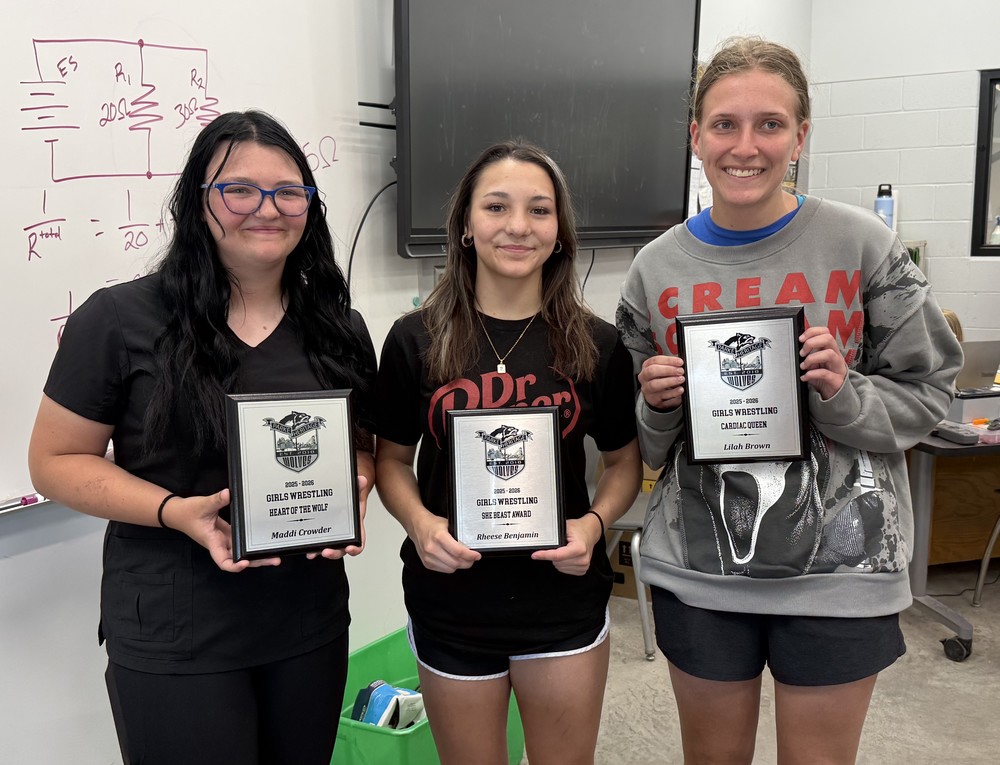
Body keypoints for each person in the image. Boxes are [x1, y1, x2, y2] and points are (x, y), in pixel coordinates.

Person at [616, 37, 963, 765]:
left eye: (770, 124)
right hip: (703, 567)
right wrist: (656, 403)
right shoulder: (654, 269)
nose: (746, 146)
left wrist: (844, 392)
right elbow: (638, 444)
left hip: (842, 567)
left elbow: (930, 390)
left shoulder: (862, 244)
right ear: (696, 136)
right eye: (724, 124)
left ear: (801, 134)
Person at [28, 110, 377, 765]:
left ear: (309, 206)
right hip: (174, 627)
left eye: (288, 191)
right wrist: (176, 512)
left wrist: (354, 490)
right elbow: (54, 460)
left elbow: (360, 446)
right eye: (239, 189)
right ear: (199, 201)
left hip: (308, 624)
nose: (266, 208)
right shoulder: (118, 318)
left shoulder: (338, 327)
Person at [374, 140, 641, 765]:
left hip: (562, 601)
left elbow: (624, 462)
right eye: (496, 207)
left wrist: (594, 525)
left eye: (538, 210)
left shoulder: (598, 344)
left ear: (559, 230)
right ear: (466, 225)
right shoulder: (415, 340)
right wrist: (420, 523)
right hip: (452, 602)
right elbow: (390, 461)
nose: (518, 226)